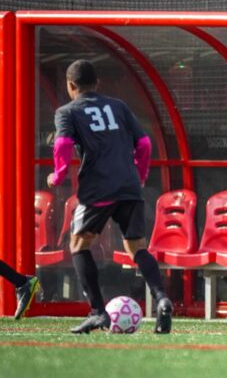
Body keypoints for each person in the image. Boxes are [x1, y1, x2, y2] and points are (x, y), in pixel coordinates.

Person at [47, 60, 173, 334]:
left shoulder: (67, 112)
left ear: (71, 86)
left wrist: (57, 176)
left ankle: (97, 312)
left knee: (79, 244)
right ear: (98, 83)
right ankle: (162, 298)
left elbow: (63, 145)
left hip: (98, 189)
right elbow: (144, 144)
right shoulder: (118, 106)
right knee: (137, 247)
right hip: (129, 185)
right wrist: (138, 176)